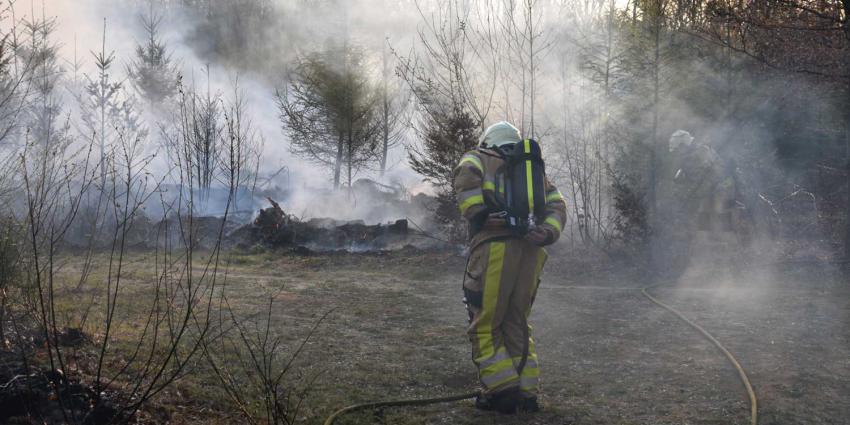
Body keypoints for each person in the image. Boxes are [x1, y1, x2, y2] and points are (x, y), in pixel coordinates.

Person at [453, 121, 567, 414]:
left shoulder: (477, 157)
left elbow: (465, 183)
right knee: (517, 321)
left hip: (494, 251)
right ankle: (527, 394)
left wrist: (479, 216)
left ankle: (501, 392)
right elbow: (557, 205)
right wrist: (546, 232)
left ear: (488, 140)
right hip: (530, 252)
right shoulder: (533, 171)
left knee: (485, 323)